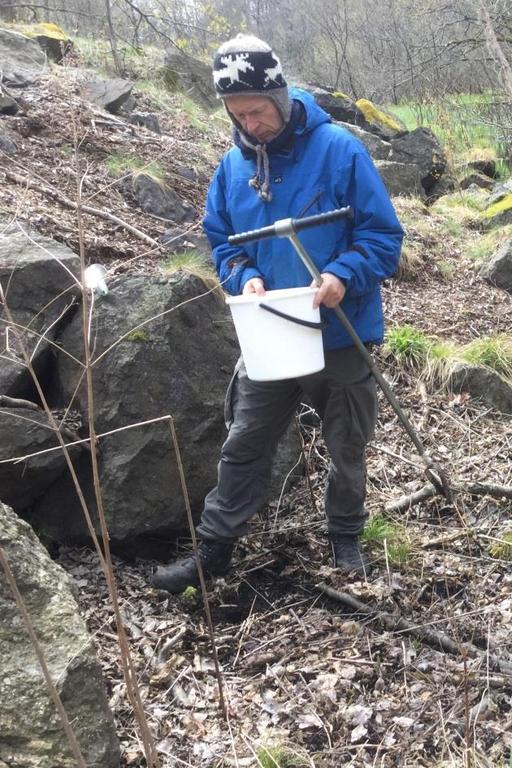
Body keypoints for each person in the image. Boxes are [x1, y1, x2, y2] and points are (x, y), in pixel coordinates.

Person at [151, 34, 403, 594]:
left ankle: (345, 538)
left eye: (258, 111)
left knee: (346, 443)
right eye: (238, 115)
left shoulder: (340, 150)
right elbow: (222, 243)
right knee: (245, 440)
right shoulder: (231, 171)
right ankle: (214, 551)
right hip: (271, 333)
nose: (250, 124)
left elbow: (384, 235)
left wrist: (343, 274)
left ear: (282, 96)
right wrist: (245, 276)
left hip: (340, 328)